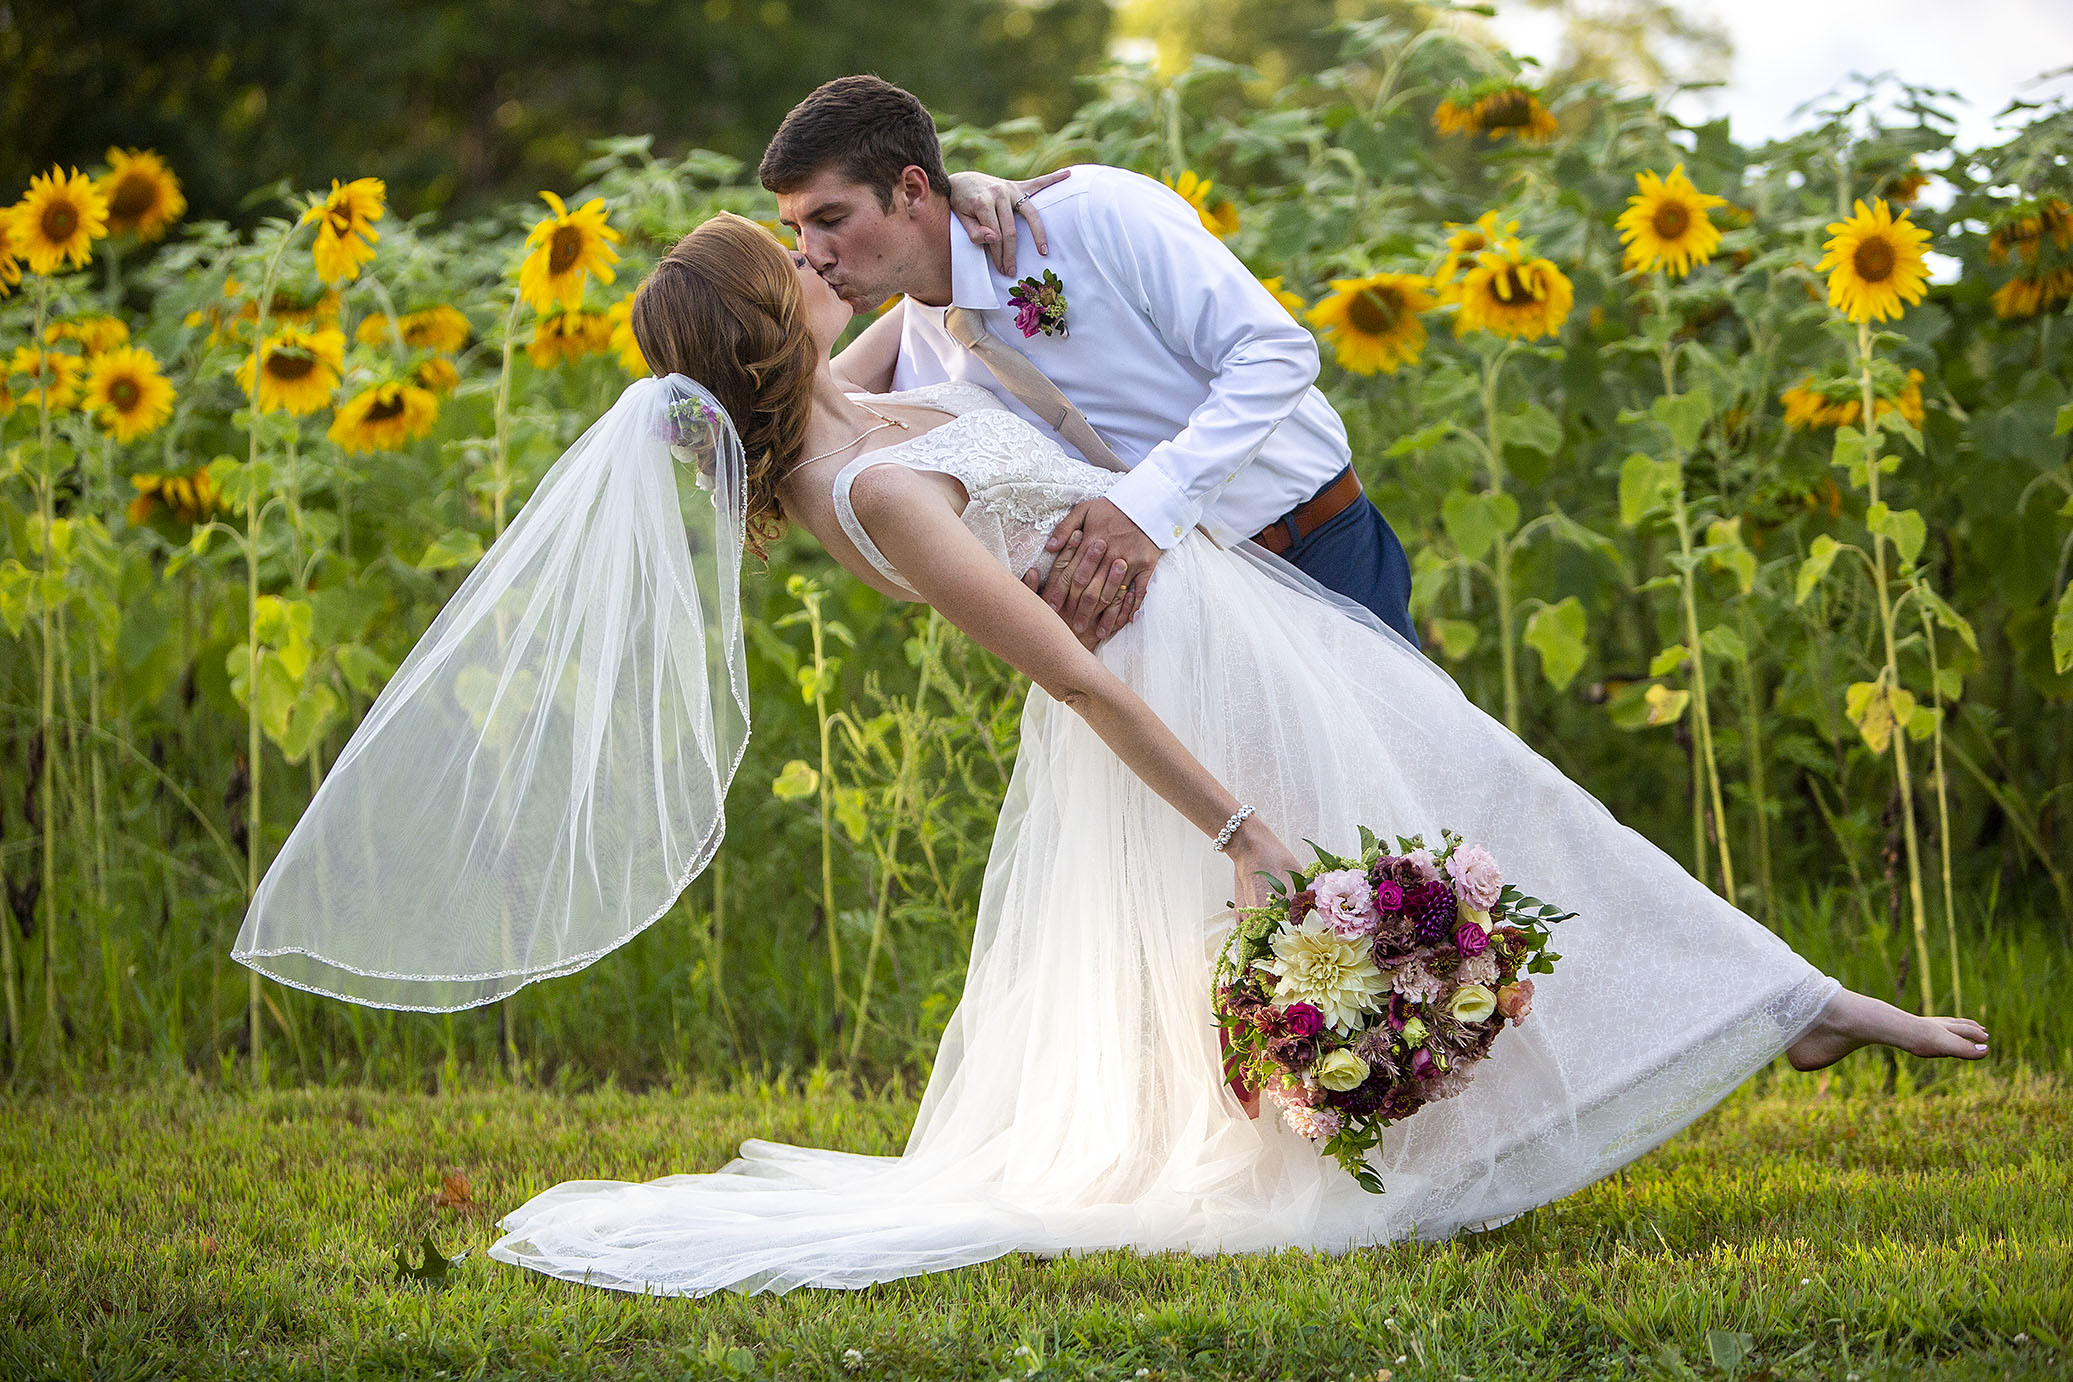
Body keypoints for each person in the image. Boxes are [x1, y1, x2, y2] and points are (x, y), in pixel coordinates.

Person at [469, 212, 1988, 1297]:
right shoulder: (867, 493)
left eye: (812, 240)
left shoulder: (849, 392)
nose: (816, 262)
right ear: (763, 328)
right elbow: (1072, 674)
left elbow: (936, 280)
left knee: (1489, 796)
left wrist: (982, 207)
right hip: (1172, 684)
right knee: (1425, 836)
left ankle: (1779, 999)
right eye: (787, 262)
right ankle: (1756, 1010)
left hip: (1229, 618)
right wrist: (1237, 823)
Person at [760, 74, 1422, 650]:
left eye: (829, 218)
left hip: (1315, 548)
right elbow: (797, 415)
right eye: (796, 230)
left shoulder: (1090, 216)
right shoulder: (914, 355)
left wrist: (1146, 507)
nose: (812, 252)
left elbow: (1272, 353)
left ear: (909, 189)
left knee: (1406, 781)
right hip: (1175, 622)